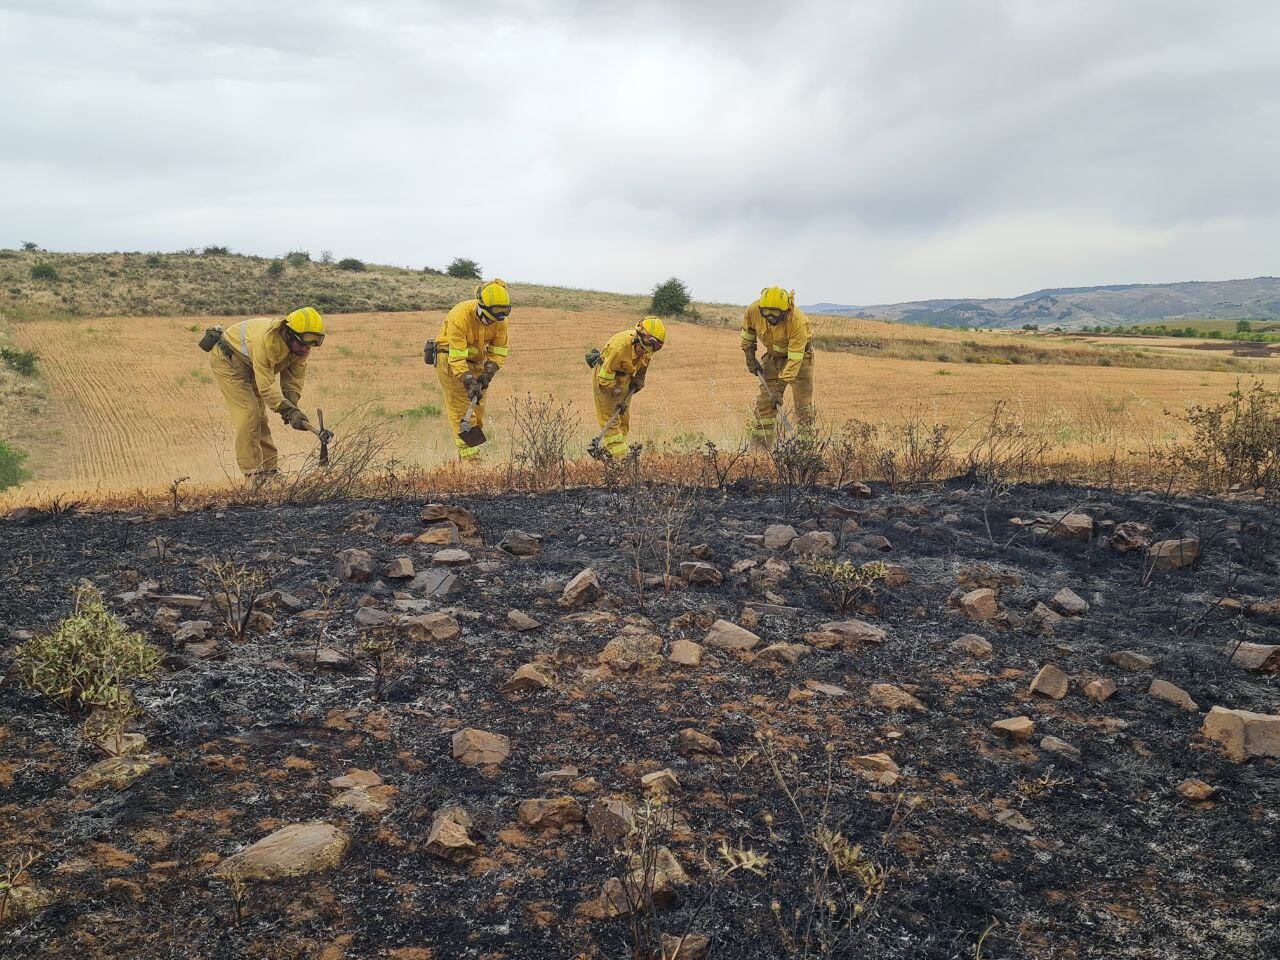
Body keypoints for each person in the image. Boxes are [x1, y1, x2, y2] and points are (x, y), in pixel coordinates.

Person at [209, 306, 324, 477]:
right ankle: (253, 474)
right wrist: (288, 410)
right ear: (289, 332)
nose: (306, 349)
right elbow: (266, 387)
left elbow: (293, 381)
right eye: (303, 343)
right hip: (228, 359)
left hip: (250, 364)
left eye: (312, 344)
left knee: (260, 417)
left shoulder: (300, 348)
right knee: (249, 414)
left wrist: (293, 408)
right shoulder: (266, 342)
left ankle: (269, 472)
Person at [432, 279, 511, 460]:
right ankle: (472, 462)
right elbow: (457, 356)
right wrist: (467, 380)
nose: (494, 323)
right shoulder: (460, 316)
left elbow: (499, 350)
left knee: (477, 411)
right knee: (463, 412)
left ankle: (470, 457)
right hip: (450, 361)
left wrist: (488, 373)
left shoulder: (500, 320)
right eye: (490, 319)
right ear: (481, 308)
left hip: (477, 363)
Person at [741, 286, 813, 443]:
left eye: (775, 313)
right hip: (772, 358)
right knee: (765, 404)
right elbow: (748, 333)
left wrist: (779, 390)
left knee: (803, 407)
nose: (770, 317)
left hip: (799, 360)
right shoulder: (753, 310)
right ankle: (760, 449)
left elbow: (794, 360)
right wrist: (750, 357)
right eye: (766, 312)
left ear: (785, 311)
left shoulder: (797, 320)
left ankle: (805, 449)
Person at [589, 316, 666, 457]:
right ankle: (621, 460)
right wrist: (617, 397)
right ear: (637, 339)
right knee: (612, 420)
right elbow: (604, 379)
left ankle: (613, 454)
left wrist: (639, 379)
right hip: (605, 378)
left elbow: (644, 364)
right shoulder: (619, 348)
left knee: (624, 420)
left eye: (647, 351)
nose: (644, 352)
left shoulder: (647, 349)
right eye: (641, 349)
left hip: (624, 377)